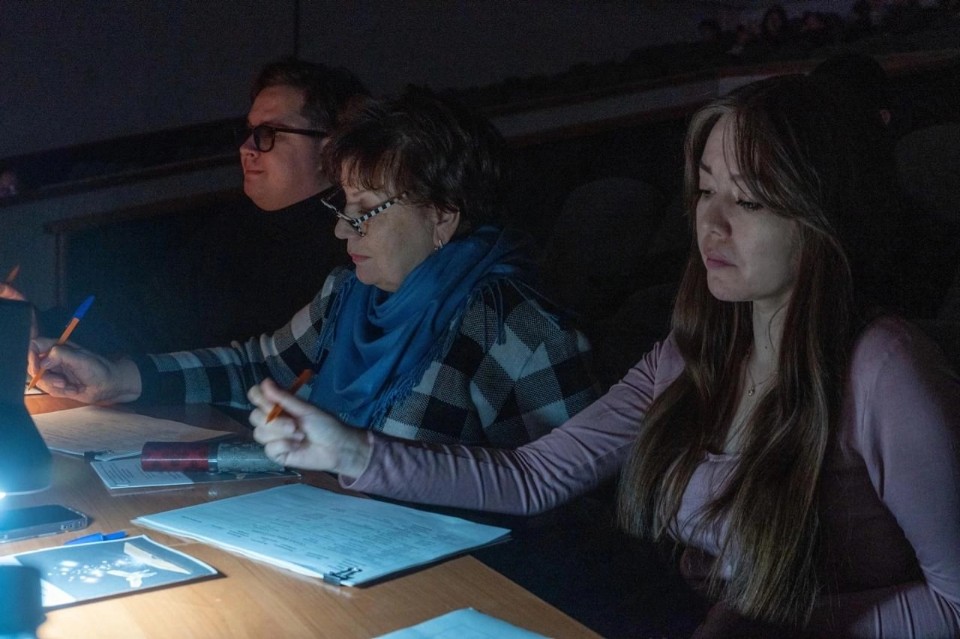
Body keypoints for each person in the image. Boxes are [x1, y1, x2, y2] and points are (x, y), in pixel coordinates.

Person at [247, 75, 960, 637]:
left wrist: (768, 622)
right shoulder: (694, 351)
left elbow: (953, 602)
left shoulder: (886, 368)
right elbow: (533, 474)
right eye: (705, 191)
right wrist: (350, 450)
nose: (710, 223)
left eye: (748, 201)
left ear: (819, 211)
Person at [28, 86, 599, 447]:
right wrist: (118, 378)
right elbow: (261, 367)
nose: (341, 230)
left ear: (443, 215)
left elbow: (569, 492)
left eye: (365, 211)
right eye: (342, 207)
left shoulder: (517, 331)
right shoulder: (350, 295)